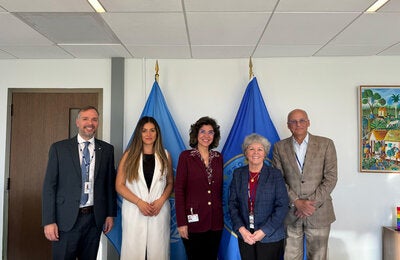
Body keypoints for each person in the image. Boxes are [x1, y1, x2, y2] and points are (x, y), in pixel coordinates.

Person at [42, 105, 117, 259]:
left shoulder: (107, 150)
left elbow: (109, 185)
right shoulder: (59, 148)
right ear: (77, 122)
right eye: (85, 119)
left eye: (94, 119)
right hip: (66, 219)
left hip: (94, 219)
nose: (90, 123)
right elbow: (49, 187)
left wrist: (110, 214)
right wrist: (49, 221)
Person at [272, 109, 337, 260]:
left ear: (308, 123)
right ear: (288, 125)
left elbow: (331, 178)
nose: (298, 124)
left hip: (319, 212)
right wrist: (296, 202)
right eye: (293, 121)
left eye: (302, 120)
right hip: (291, 212)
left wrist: (309, 205)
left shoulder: (326, 144)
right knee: (290, 256)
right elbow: (278, 179)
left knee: (318, 257)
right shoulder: (279, 147)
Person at [115, 116, 173, 260]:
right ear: (139, 133)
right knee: (133, 252)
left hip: (158, 211)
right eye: (144, 131)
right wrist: (139, 202)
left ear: (157, 133)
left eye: (152, 130)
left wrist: (161, 200)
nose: (148, 134)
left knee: (159, 253)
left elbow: (170, 182)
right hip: (134, 211)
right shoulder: (128, 155)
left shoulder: (165, 155)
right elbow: (119, 185)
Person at [229, 133, 289, 260]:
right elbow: (233, 204)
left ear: (265, 153)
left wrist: (264, 231)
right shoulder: (238, 174)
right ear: (246, 152)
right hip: (246, 236)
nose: (255, 152)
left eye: (260, 149)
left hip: (270, 236)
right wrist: (242, 230)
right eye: (251, 149)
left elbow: (282, 206)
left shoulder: (275, 174)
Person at [175, 116, 224, 260]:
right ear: (196, 134)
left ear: (214, 136)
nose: (206, 136)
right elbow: (179, 190)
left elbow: (218, 190)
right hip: (192, 222)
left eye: (210, 132)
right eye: (202, 131)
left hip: (215, 221)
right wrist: (182, 222)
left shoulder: (218, 157)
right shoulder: (186, 157)